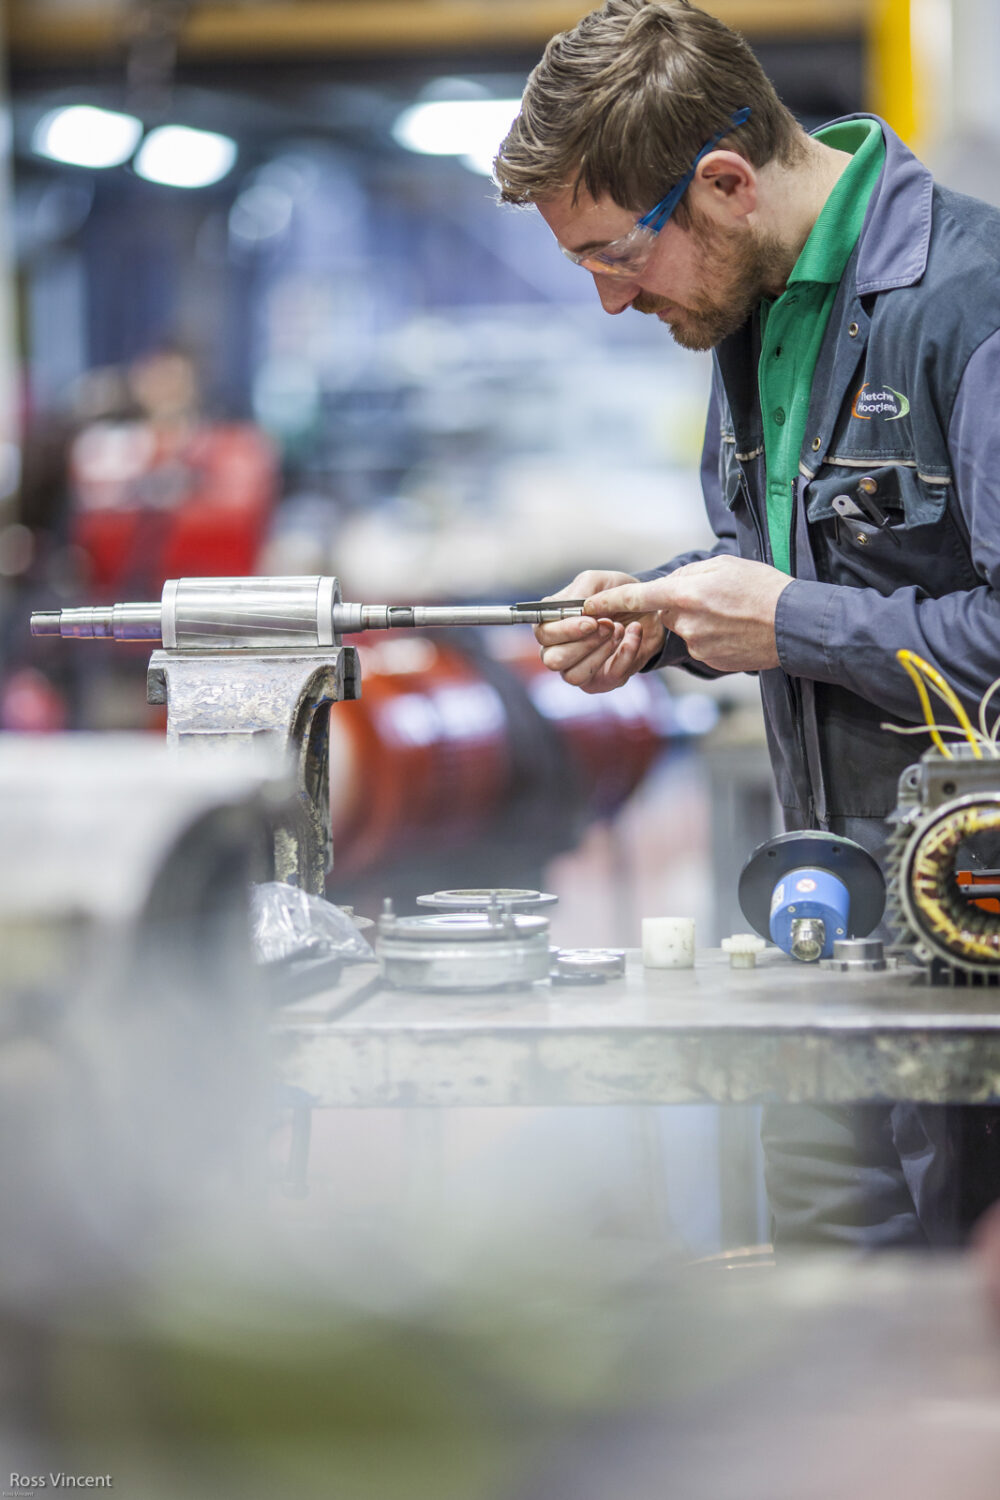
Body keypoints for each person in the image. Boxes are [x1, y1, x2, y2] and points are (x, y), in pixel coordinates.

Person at [495, 0, 1000, 1249]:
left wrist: (785, 623)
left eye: (614, 254)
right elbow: (803, 567)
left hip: (973, 959)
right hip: (832, 947)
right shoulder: (754, 313)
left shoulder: (969, 308)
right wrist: (668, 615)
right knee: (826, 1341)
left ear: (722, 182)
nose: (612, 302)